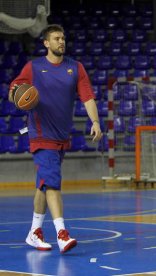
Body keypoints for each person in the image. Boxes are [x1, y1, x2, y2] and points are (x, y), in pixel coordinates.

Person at [8, 24, 102, 253]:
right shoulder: (34, 67)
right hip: (40, 134)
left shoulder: (75, 68)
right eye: (57, 38)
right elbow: (14, 89)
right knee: (52, 181)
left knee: (43, 183)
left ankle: (34, 232)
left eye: (63, 38)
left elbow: (88, 97)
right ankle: (62, 233)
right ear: (46, 43)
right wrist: (17, 97)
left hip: (61, 136)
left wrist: (96, 121)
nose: (62, 41)